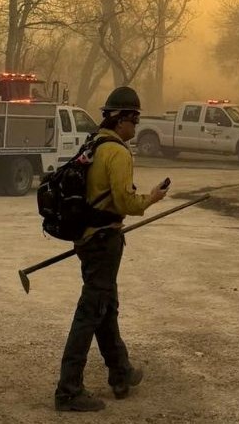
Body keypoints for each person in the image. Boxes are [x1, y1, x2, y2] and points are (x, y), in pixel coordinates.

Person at [54, 86, 169, 412]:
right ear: (122, 120)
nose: (136, 127)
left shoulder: (94, 144)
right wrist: (151, 198)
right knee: (90, 313)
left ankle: (120, 373)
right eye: (134, 120)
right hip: (104, 241)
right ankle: (68, 391)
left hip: (88, 240)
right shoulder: (117, 152)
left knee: (105, 307)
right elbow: (124, 202)